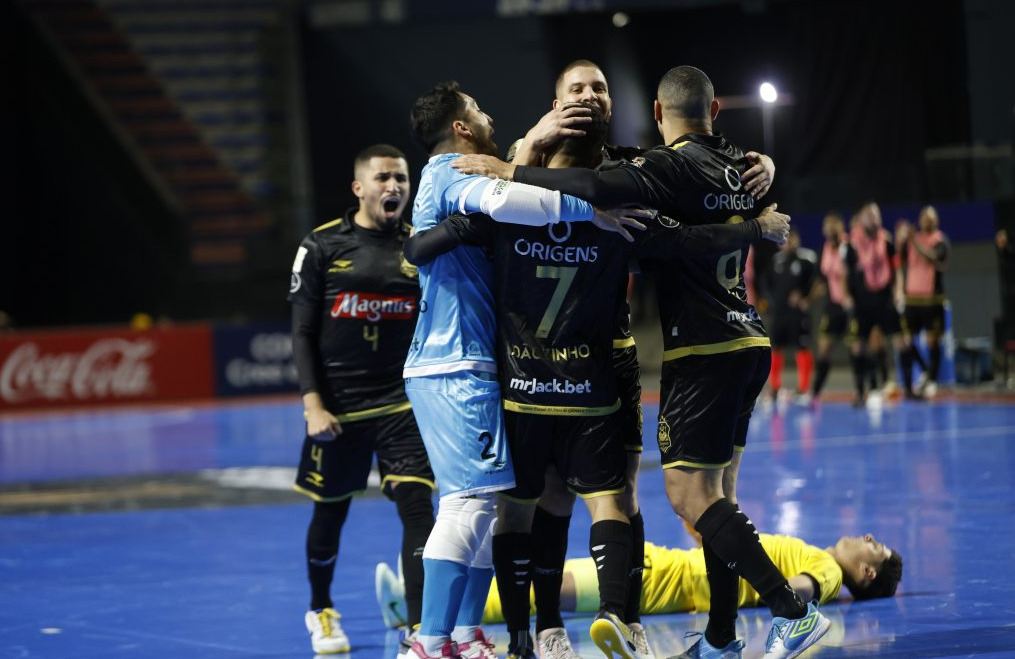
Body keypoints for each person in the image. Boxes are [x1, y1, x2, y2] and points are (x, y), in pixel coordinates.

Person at [452, 65, 832, 659]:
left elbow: (618, 199)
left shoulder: (643, 170)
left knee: (678, 497)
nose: (588, 97)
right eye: (575, 90)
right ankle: (721, 637)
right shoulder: (722, 162)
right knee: (712, 496)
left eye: (599, 88)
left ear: (654, 113)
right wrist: (760, 198)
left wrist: (509, 165)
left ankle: (782, 611)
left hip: (670, 353)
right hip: (737, 339)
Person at [402, 81, 644, 659]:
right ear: (461, 127)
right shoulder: (455, 169)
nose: (487, 114)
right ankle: (428, 643)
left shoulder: (454, 174)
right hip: (454, 361)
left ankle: (464, 636)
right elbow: (513, 200)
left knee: (483, 502)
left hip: (469, 360)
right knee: (470, 503)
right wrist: (596, 211)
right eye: (478, 108)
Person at [287, 144, 436, 655]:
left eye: (401, 178)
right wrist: (313, 405)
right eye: (382, 179)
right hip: (339, 409)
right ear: (359, 188)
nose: (393, 187)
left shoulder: (421, 245)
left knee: (419, 507)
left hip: (402, 405)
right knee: (330, 513)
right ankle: (322, 610)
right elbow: (303, 332)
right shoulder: (322, 246)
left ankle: (421, 631)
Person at [474, 532, 902, 622]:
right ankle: (440, 601)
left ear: (865, 573)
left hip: (673, 581)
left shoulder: (826, 569)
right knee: (552, 581)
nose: (868, 537)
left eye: (875, 547)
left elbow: (801, 591)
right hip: (672, 566)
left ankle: (447, 609)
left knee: (549, 590)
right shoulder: (813, 550)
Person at [846, 202, 906, 403]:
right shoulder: (852, 245)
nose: (874, 218)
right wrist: (847, 296)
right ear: (862, 219)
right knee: (858, 347)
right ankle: (861, 392)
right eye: (869, 215)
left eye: (876, 214)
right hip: (863, 302)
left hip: (884, 299)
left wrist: (898, 291)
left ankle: (909, 389)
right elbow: (846, 274)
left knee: (901, 342)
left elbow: (896, 269)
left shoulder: (887, 241)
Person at [759, 230, 818, 404]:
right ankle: (775, 389)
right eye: (786, 239)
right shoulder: (776, 260)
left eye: (793, 238)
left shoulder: (807, 259)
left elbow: (818, 282)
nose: (789, 242)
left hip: (798, 314)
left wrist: (807, 298)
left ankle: (804, 389)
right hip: (779, 314)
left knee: (802, 347)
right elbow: (765, 283)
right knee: (776, 348)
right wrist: (769, 302)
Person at [896, 206, 950, 398]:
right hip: (912, 298)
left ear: (936, 221)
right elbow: (899, 260)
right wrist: (900, 238)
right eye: (924, 218)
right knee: (904, 340)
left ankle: (932, 381)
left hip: (931, 299)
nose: (927, 221)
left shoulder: (940, 240)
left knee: (932, 341)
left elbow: (932, 257)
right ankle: (913, 382)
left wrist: (913, 240)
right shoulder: (912, 240)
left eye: (931, 218)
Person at [811, 213, 855, 402]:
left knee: (857, 348)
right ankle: (814, 393)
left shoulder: (849, 247)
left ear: (840, 227)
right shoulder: (825, 250)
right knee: (823, 348)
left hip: (851, 306)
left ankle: (866, 390)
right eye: (825, 227)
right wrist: (808, 298)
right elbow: (822, 280)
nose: (828, 230)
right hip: (832, 307)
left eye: (832, 227)